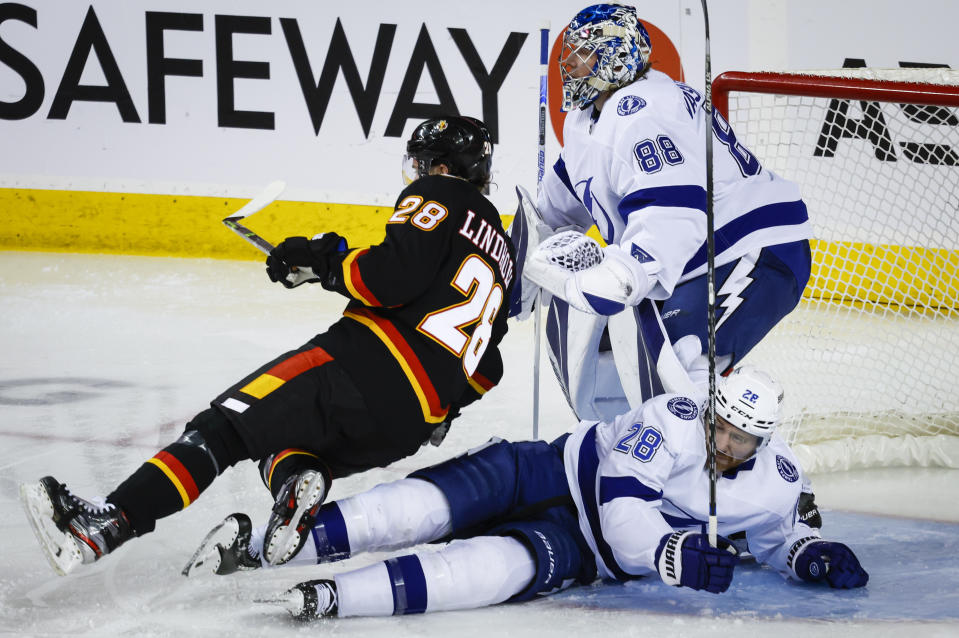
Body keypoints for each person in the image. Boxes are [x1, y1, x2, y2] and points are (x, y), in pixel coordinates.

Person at [20, 115, 516, 576]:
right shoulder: (503, 252)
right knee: (281, 440)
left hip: (360, 370)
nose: (417, 173)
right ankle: (294, 481)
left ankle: (104, 526)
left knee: (222, 430)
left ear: (446, 168)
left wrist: (326, 260)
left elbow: (389, 278)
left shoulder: (439, 192)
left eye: (423, 163)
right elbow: (487, 366)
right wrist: (443, 408)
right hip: (410, 423)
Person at [197, 365, 866, 620]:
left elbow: (779, 538)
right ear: (711, 409)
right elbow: (623, 507)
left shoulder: (777, 481)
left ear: (763, 440)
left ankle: (334, 600)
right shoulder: (674, 418)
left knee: (490, 571)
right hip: (544, 471)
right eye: (720, 426)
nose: (724, 444)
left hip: (580, 552)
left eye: (740, 440)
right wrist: (673, 555)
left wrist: (812, 555)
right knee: (417, 508)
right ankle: (258, 545)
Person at [510, 3, 813, 422]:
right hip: (696, 259)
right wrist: (518, 273)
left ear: (615, 56)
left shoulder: (645, 111)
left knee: (676, 364)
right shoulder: (588, 119)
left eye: (584, 54)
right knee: (617, 354)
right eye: (570, 54)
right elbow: (557, 207)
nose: (570, 64)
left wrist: (625, 273)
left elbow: (672, 215)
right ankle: (627, 450)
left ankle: (728, 469)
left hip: (754, 252)